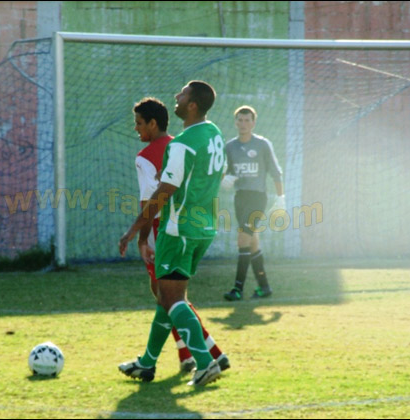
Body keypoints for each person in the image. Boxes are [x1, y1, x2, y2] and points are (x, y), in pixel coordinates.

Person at [118, 81, 226, 386]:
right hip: (204, 226)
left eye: (182, 94)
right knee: (167, 297)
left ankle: (205, 362)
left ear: (192, 105)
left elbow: (164, 192)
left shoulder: (182, 143)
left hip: (178, 228)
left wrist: (133, 231)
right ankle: (147, 363)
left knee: (173, 298)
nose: (176, 97)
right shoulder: (214, 133)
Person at [221, 105, 285, 301]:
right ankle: (264, 287)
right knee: (252, 242)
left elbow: (276, 172)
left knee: (243, 240)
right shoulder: (230, 147)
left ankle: (237, 289)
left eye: (247, 120)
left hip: (257, 198)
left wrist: (280, 198)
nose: (243, 124)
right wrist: (223, 179)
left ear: (253, 123)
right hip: (240, 198)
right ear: (235, 122)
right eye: (240, 120)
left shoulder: (262, 144)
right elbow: (224, 171)